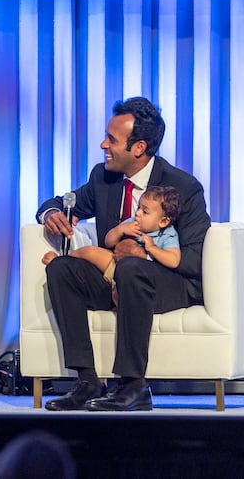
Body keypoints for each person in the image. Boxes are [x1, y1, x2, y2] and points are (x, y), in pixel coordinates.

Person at [38, 97, 211, 411]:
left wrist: (147, 253)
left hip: (165, 282)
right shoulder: (103, 178)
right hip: (114, 276)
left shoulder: (183, 187)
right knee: (61, 269)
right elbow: (62, 201)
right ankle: (87, 380)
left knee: (131, 267)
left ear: (139, 147)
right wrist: (51, 212)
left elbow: (196, 258)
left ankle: (133, 385)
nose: (104, 144)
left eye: (112, 140)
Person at [42, 185, 182, 304]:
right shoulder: (132, 221)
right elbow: (108, 241)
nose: (138, 213)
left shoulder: (167, 235)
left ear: (163, 221)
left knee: (126, 290)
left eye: (145, 212)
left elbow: (174, 260)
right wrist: (120, 230)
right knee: (90, 252)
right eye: (138, 207)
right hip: (115, 264)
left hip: (140, 277)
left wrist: (152, 249)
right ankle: (62, 260)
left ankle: (118, 299)